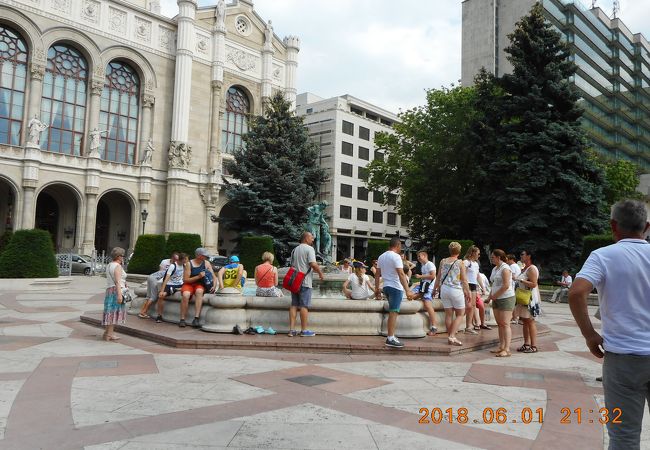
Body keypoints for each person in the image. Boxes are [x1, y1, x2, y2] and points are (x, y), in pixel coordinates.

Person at [569, 199, 650, 450]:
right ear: (646, 226)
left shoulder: (603, 256)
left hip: (623, 359)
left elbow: (576, 292)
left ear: (613, 226)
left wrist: (590, 334)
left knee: (623, 436)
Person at [375, 237, 414, 348]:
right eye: (400, 246)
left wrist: (377, 289)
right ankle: (390, 338)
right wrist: (408, 290)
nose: (400, 248)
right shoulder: (396, 257)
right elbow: (401, 274)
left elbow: (377, 274)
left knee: (392, 311)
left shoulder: (381, 256)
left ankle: (391, 336)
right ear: (398, 245)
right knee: (393, 312)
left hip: (386, 287)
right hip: (395, 288)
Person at [433, 241, 470, 346]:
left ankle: (450, 337)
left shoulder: (443, 261)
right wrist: (467, 292)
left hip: (444, 289)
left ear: (450, 250)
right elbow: (464, 280)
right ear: (459, 252)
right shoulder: (460, 263)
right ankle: (452, 336)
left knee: (448, 315)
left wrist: (434, 289)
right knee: (460, 314)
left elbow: (438, 276)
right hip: (456, 290)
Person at [287, 231, 324, 337]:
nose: (313, 240)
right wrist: (321, 273)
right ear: (306, 238)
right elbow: (312, 263)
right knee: (304, 306)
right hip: (305, 281)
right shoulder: (309, 249)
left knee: (294, 304)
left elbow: (292, 265)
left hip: (294, 281)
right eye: (311, 238)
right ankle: (304, 330)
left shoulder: (295, 250)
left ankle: (292, 330)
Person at [487, 249, 515, 357]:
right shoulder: (495, 268)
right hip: (496, 298)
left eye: (493, 257)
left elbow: (506, 286)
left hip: (506, 298)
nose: (491, 259)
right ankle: (501, 346)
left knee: (505, 323)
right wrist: (490, 297)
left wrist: (495, 296)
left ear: (499, 257)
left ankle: (507, 349)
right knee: (500, 324)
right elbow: (494, 285)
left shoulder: (505, 269)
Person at [180, 248, 216, 328]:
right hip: (189, 284)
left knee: (199, 291)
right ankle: (182, 319)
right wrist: (198, 276)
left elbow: (214, 277)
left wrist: (214, 285)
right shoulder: (189, 264)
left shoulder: (206, 263)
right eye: (204, 256)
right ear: (199, 256)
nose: (206, 257)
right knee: (186, 295)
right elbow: (185, 280)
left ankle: (196, 318)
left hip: (200, 284)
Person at [139, 252, 179, 319]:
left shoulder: (173, 265)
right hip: (155, 279)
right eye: (175, 259)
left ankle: (141, 311)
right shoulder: (171, 266)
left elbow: (160, 272)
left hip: (151, 276)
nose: (176, 261)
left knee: (149, 296)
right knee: (154, 297)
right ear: (172, 258)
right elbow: (163, 276)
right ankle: (143, 312)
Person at [515, 250, 540, 353]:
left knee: (530, 321)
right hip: (523, 297)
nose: (520, 256)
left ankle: (533, 346)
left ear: (529, 256)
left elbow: (534, 284)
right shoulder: (525, 268)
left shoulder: (532, 268)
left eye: (522, 254)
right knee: (525, 321)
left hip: (529, 298)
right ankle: (526, 344)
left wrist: (520, 280)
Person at [102, 247, 127, 342]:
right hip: (116, 290)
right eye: (122, 256)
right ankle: (109, 334)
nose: (123, 257)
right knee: (114, 312)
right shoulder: (117, 266)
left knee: (109, 311)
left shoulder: (109, 265)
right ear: (118, 256)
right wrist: (120, 295)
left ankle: (107, 333)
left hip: (110, 290)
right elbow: (117, 281)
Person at [154, 253, 187, 323]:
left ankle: (176, 290)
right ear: (182, 259)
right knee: (161, 296)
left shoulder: (185, 266)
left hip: (179, 285)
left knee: (186, 289)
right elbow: (166, 278)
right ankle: (159, 315)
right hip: (170, 284)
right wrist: (162, 290)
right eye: (186, 259)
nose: (187, 261)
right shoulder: (173, 266)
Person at [412, 250, 438, 335]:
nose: (418, 258)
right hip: (424, 287)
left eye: (419, 256)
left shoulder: (430, 264)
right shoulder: (423, 266)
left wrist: (420, 276)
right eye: (418, 257)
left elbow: (433, 276)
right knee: (411, 296)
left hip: (429, 288)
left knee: (427, 304)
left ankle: (434, 326)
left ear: (424, 256)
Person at [463, 246, 482, 335]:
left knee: (473, 306)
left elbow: (478, 276)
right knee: (469, 306)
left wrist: (483, 287)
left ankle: (469, 326)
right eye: (478, 253)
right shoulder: (466, 262)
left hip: (473, 285)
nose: (479, 255)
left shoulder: (476, 263)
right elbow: (462, 275)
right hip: (467, 284)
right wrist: (465, 287)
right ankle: (465, 325)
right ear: (472, 253)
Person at [507, 253, 522, 324]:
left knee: (513, 303)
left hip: (514, 285)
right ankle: (515, 317)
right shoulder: (516, 265)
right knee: (515, 302)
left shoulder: (512, 266)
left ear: (511, 259)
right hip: (517, 284)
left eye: (508, 259)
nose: (507, 261)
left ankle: (514, 318)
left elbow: (512, 276)